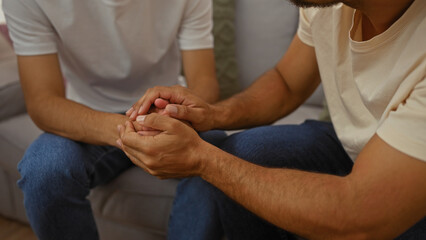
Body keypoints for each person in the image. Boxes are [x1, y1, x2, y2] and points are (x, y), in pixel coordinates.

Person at [116, 0, 426, 239]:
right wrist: (213, 114)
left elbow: (360, 215)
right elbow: (286, 83)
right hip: (354, 147)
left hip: (407, 190)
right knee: (234, 152)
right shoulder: (332, 6)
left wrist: (201, 159)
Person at [2, 0, 221, 239]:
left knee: (220, 154)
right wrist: (132, 127)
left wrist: (170, 116)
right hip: (86, 118)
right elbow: (42, 103)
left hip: (165, 113)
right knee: (44, 170)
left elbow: (205, 85)